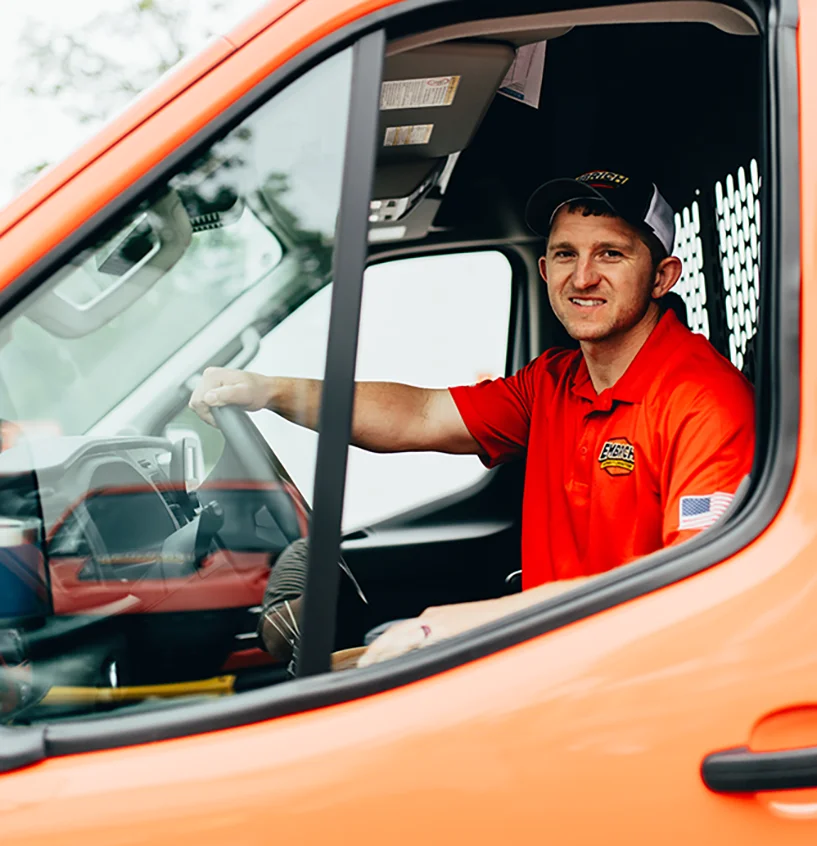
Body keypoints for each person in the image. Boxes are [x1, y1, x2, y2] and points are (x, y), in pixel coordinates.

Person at [189, 169, 755, 668]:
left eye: (611, 253)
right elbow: (422, 415)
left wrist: (462, 624)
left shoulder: (704, 402)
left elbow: (694, 580)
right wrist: (267, 390)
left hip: (642, 675)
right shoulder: (555, 380)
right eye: (565, 254)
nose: (582, 277)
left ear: (662, 276)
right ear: (545, 267)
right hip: (557, 654)